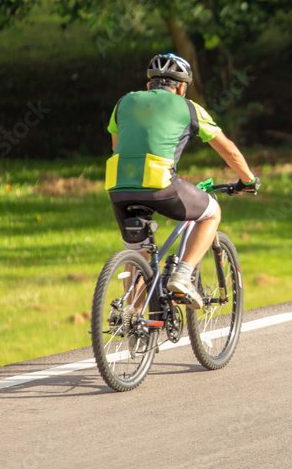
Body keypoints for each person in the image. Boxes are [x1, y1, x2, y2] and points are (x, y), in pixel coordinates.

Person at [105, 53, 259, 308]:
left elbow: (117, 149)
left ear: (149, 86)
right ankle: (183, 276)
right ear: (181, 88)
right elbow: (228, 150)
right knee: (211, 212)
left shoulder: (122, 104)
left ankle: (133, 322)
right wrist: (248, 180)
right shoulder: (188, 107)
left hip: (118, 188)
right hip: (160, 186)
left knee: (138, 253)